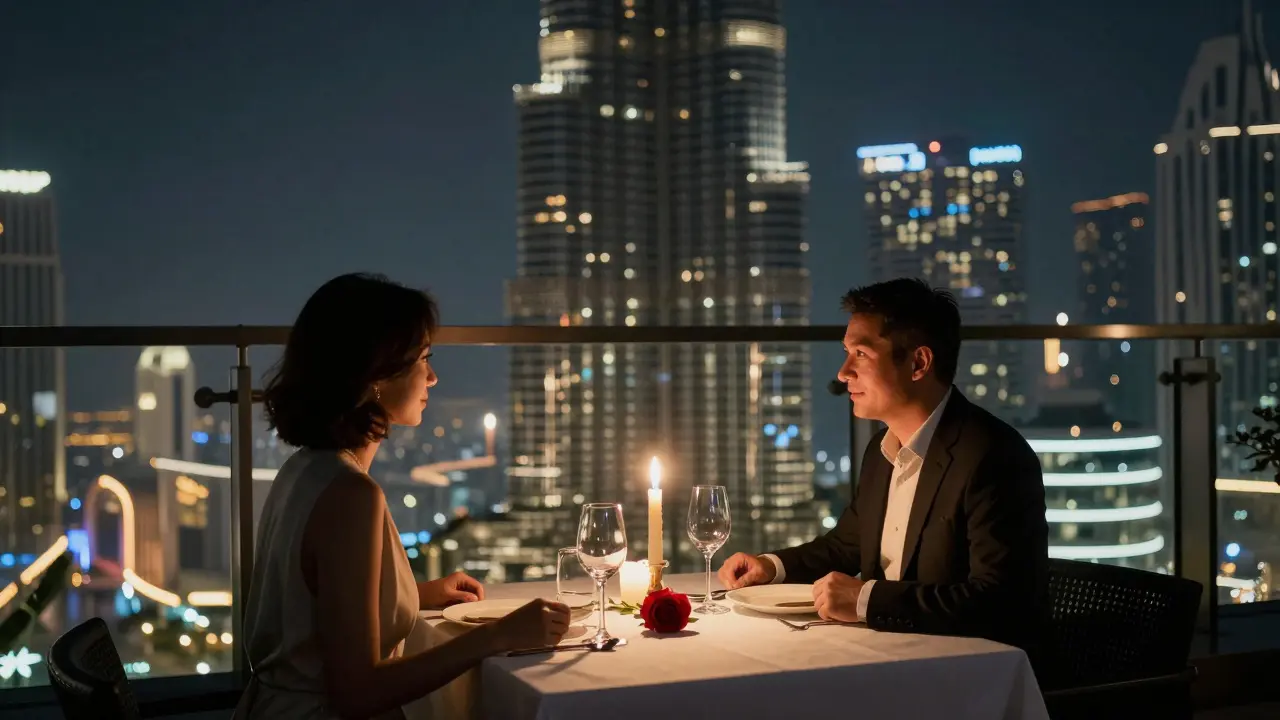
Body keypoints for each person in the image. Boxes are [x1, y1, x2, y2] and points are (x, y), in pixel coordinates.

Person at [234, 273, 570, 720]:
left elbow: (313, 612)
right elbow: (357, 694)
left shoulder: (304, 469)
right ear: (376, 373)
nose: (432, 377)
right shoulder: (351, 495)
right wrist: (498, 636)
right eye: (423, 359)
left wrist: (415, 594)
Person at [718, 278, 1047, 651]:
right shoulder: (882, 450)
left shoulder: (993, 456)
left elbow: (1001, 600)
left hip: (965, 672)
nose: (843, 373)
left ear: (919, 363)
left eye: (860, 354)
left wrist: (865, 601)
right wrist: (770, 566)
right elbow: (846, 546)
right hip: (886, 652)